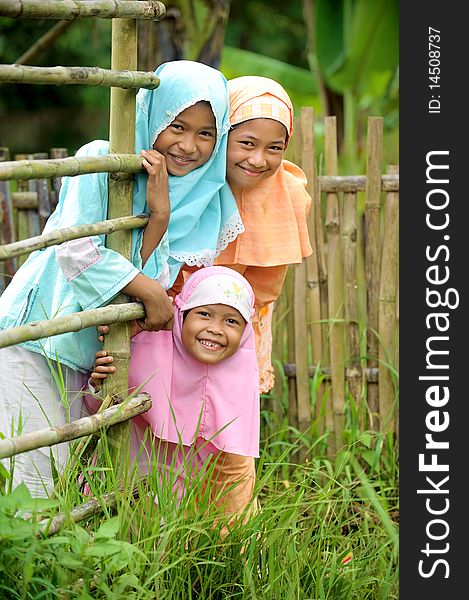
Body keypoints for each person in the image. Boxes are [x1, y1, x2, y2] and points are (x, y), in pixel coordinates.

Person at [0, 60, 243, 497]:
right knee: (33, 484)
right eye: (176, 125)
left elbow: (141, 277)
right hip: (38, 336)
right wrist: (150, 292)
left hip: (86, 356)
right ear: (153, 114)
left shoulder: (180, 196)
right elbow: (75, 250)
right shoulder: (101, 157)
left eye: (205, 133)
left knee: (66, 484)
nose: (189, 145)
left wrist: (160, 215)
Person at [88, 266, 260, 530]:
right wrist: (98, 385)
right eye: (204, 314)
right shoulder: (144, 351)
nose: (215, 329)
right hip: (126, 489)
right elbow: (99, 410)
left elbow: (232, 464)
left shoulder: (239, 374)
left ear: (246, 331)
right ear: (182, 315)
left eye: (231, 321)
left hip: (185, 510)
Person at [175, 76, 313, 393]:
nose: (257, 159)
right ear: (223, 135)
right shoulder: (188, 184)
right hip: (169, 324)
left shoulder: (290, 192)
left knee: (227, 422)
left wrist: (226, 327)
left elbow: (265, 290)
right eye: (247, 143)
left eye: (274, 148)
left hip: (241, 327)